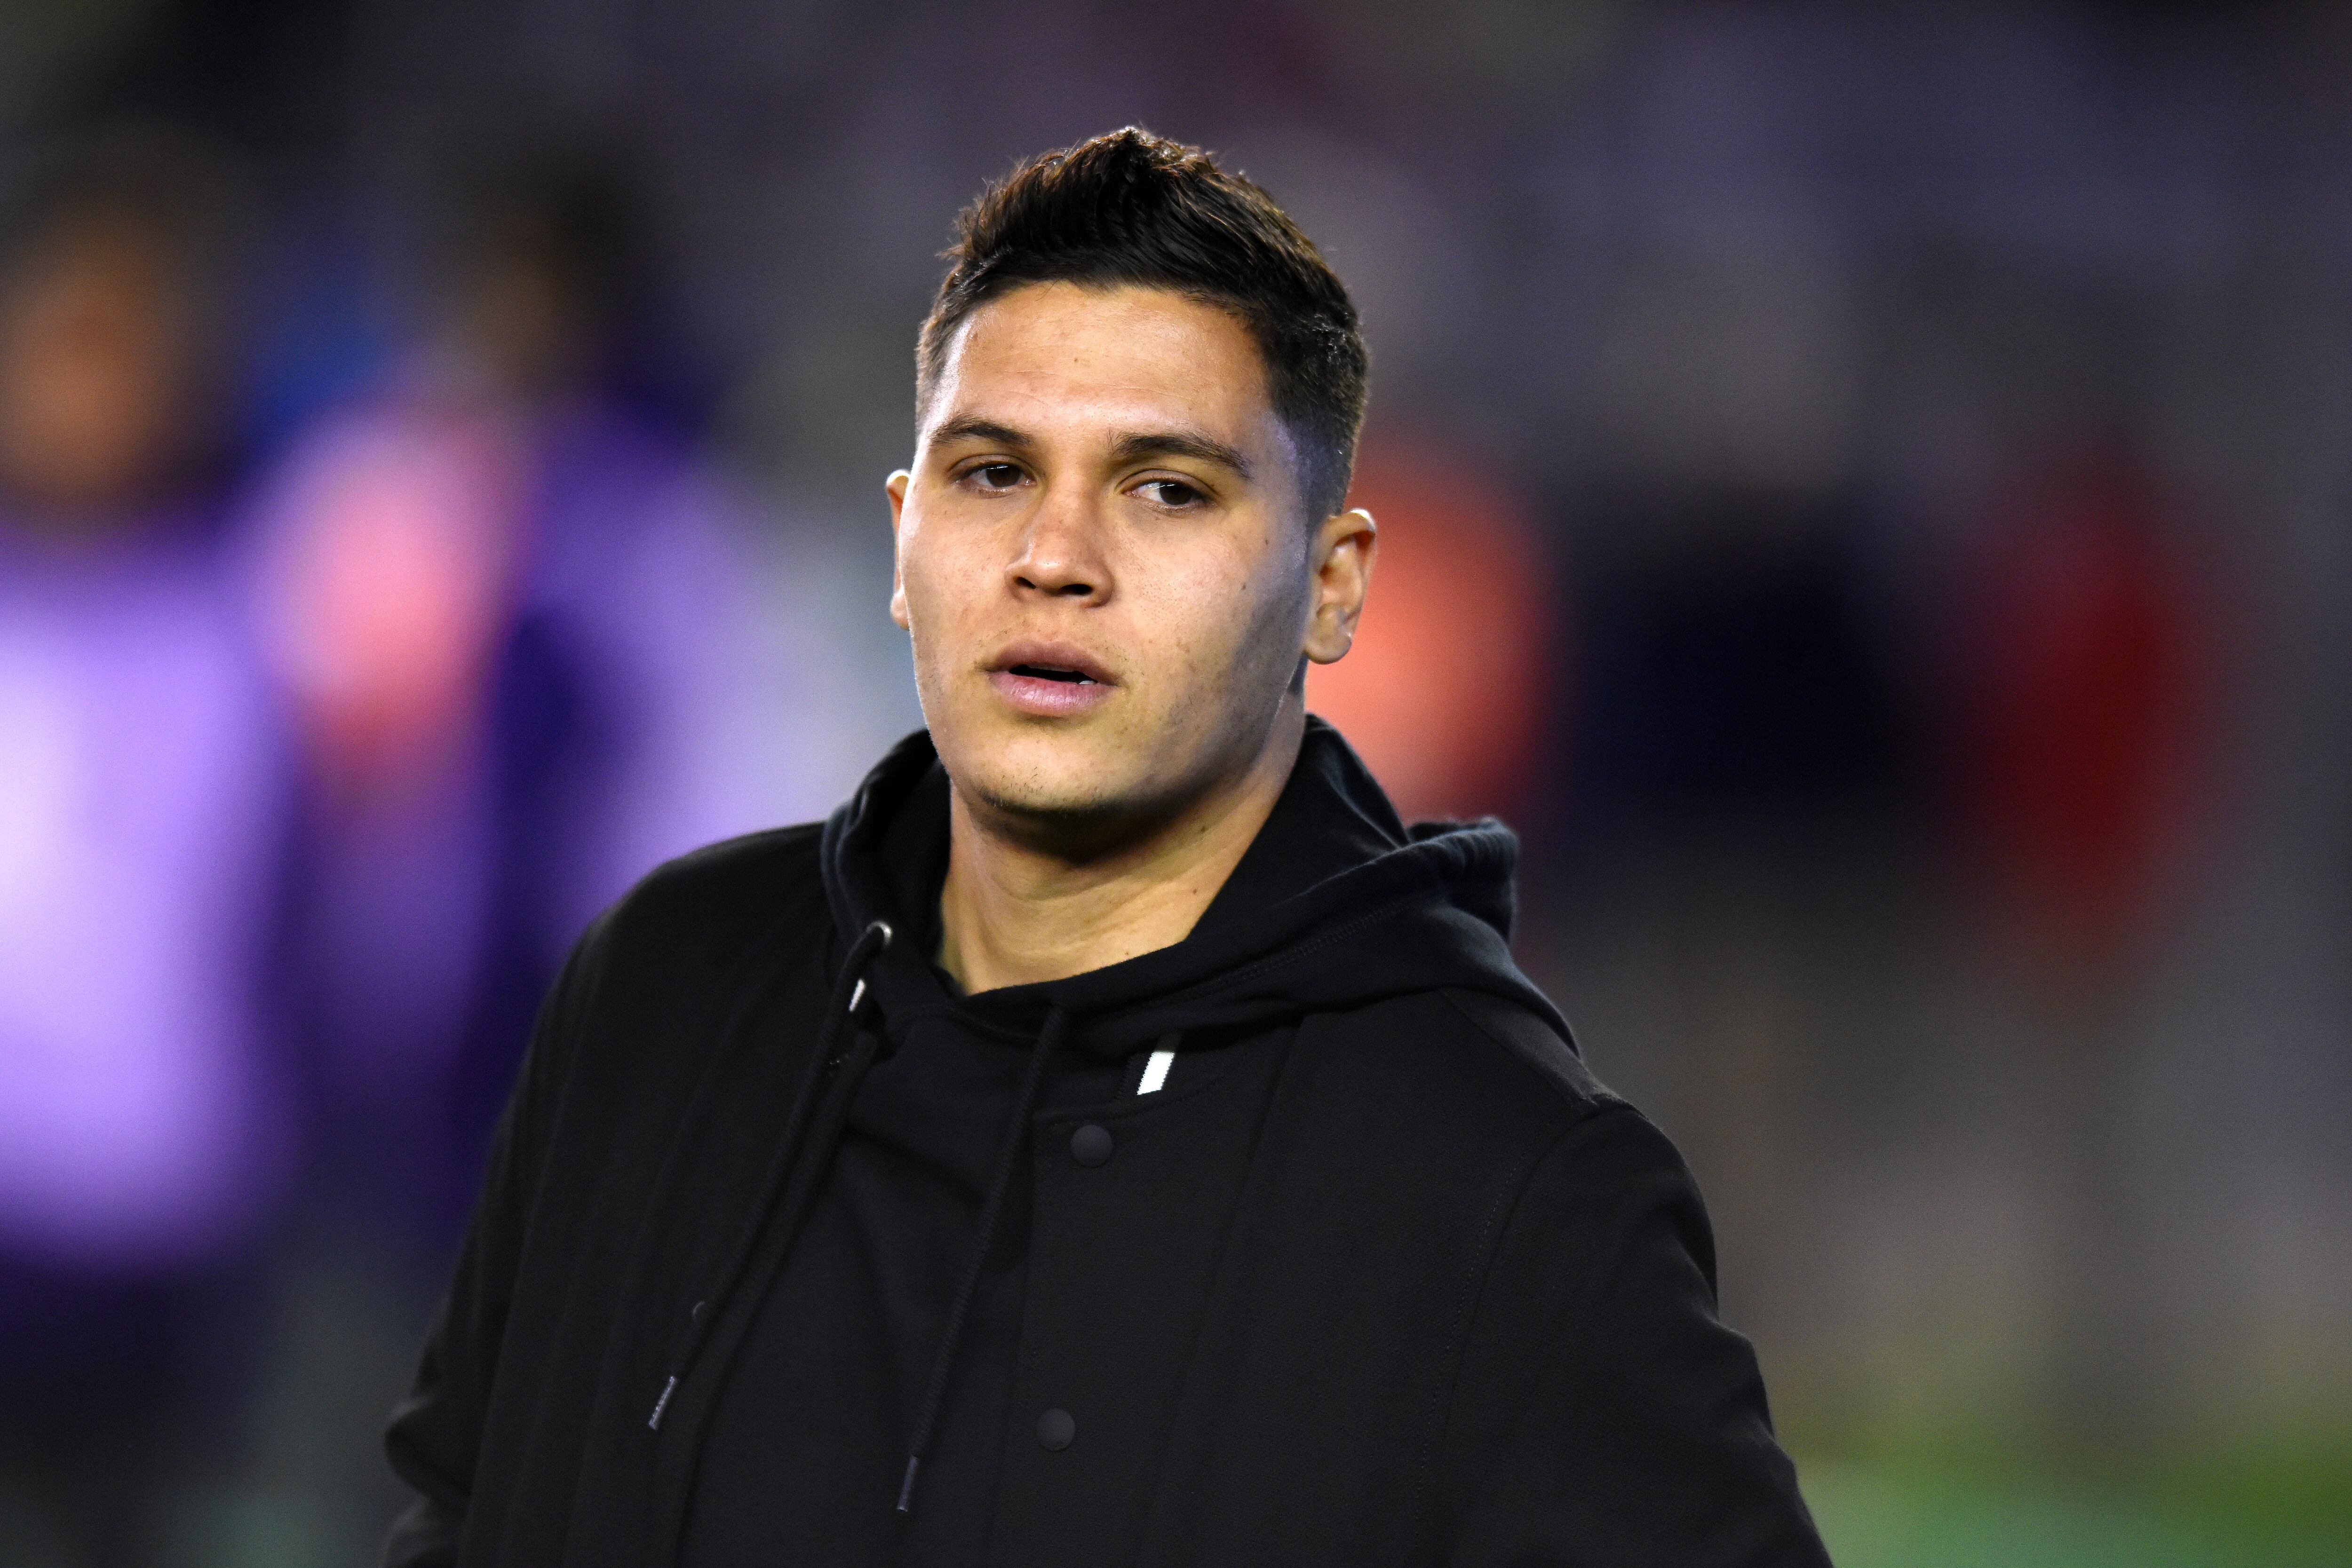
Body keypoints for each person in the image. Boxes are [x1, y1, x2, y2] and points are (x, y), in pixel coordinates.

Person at [381, 127, 1829, 1567]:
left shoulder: (1511, 1181)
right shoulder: (664, 990)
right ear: (904, 541)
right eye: (995, 473)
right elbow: (463, 1509)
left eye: (1167, 489)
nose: (1054, 556)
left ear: (1333, 587)